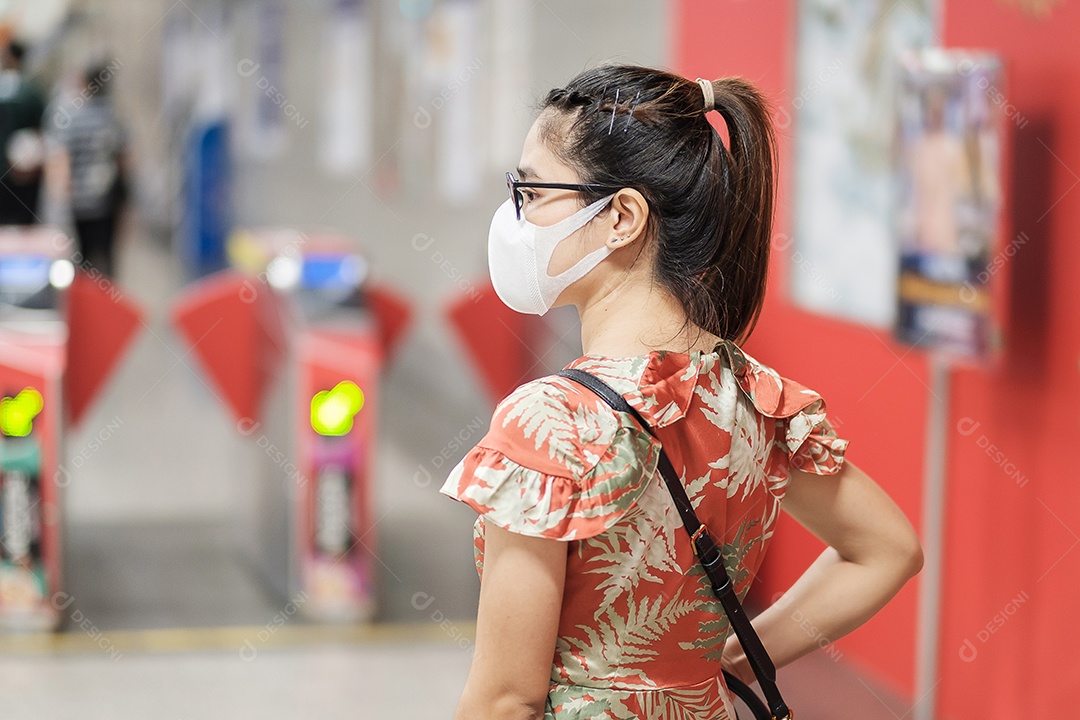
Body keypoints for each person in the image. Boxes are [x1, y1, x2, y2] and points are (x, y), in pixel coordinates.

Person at [440, 64, 923, 720]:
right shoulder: (761, 399)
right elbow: (888, 550)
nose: (514, 216)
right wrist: (739, 656)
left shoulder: (551, 423)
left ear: (622, 217)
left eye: (531, 191)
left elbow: (505, 700)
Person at [48, 62, 129, 276]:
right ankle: (108, 296)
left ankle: (86, 300)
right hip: (108, 200)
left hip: (80, 201)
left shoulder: (73, 117)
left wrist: (61, 193)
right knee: (107, 253)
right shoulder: (115, 117)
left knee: (82, 256)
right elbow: (125, 159)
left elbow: (63, 158)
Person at [0, 41, 46, 225]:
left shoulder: (27, 91)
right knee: (24, 224)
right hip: (24, 172)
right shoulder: (31, 92)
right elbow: (41, 130)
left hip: (9, 169)